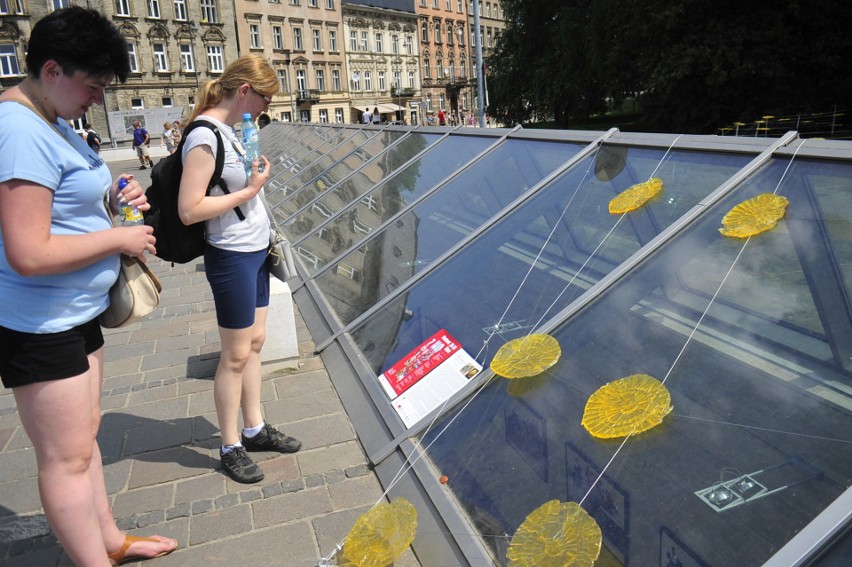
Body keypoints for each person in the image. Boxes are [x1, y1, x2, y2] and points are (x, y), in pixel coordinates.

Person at [0, 7, 176, 566]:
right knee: (65, 458)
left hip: (73, 312)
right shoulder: (20, 130)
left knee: (84, 442)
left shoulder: (47, 118)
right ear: (52, 69)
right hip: (40, 323)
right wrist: (115, 242)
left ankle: (108, 539)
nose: (98, 99)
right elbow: (28, 252)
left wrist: (116, 196)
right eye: (94, 86)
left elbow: (64, 204)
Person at [178, 54, 302, 484]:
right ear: (244, 92)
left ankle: (254, 428)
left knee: (255, 342)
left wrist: (252, 186)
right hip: (230, 255)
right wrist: (249, 189)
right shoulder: (204, 137)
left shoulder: (231, 131)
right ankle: (229, 443)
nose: (267, 108)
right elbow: (190, 209)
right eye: (265, 99)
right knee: (234, 354)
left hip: (255, 251)